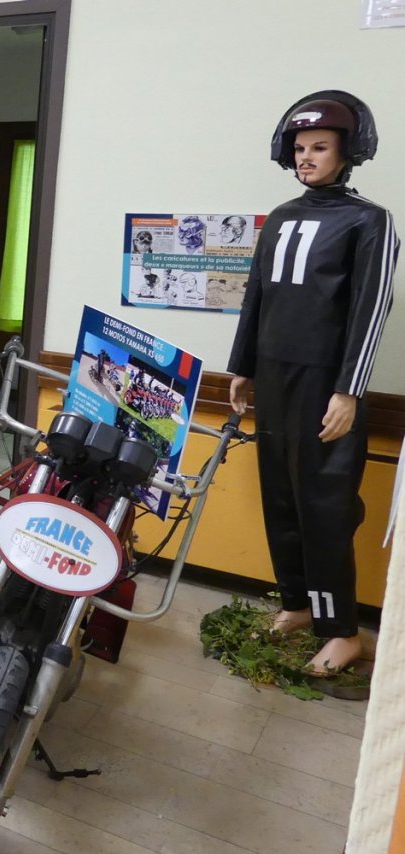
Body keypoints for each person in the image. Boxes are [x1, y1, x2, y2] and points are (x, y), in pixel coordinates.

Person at [228, 90, 398, 675]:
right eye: (301, 147)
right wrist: (243, 365)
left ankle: (342, 631)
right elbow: (256, 295)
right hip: (275, 379)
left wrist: (349, 390)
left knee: (324, 507)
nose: (307, 157)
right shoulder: (280, 217)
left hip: (327, 386)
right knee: (280, 497)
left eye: (320, 147)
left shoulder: (369, 221)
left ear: (346, 152)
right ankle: (298, 605)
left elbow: (370, 310)